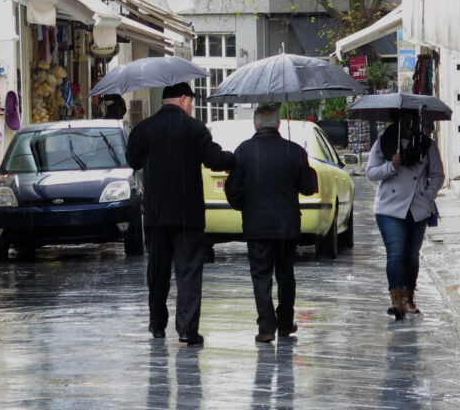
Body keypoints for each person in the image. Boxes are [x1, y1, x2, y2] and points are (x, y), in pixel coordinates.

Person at [126, 82, 234, 346]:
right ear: (184, 99)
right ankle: (187, 330)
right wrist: (237, 157)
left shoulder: (144, 129)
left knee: (157, 271)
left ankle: (158, 325)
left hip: (156, 214)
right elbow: (214, 160)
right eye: (191, 102)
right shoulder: (195, 128)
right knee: (188, 273)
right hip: (188, 214)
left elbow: (133, 161)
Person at [224, 105, 317, 343]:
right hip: (287, 225)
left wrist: (244, 206)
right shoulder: (294, 151)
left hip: (256, 225)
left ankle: (266, 326)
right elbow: (308, 187)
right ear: (278, 124)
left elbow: (233, 190)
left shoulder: (243, 151)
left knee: (260, 275)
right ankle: (285, 323)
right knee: (286, 274)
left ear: (255, 125)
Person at [366, 111, 445, 320]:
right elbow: (371, 173)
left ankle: (409, 298)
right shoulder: (384, 142)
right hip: (389, 209)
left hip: (417, 208)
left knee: (411, 255)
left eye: (413, 120)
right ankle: (397, 301)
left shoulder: (426, 145)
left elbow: (437, 175)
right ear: (397, 121)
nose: (410, 125)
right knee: (396, 253)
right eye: (405, 120)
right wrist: (391, 165)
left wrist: (427, 197)